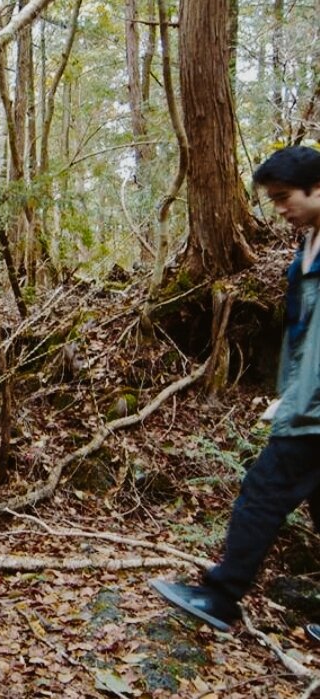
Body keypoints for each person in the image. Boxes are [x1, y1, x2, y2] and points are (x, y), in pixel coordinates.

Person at [151, 145, 320, 632]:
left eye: (285, 196)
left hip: (314, 414)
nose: (280, 208)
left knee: (260, 494)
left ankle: (220, 599)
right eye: (273, 198)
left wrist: (300, 402)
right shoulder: (307, 244)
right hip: (304, 402)